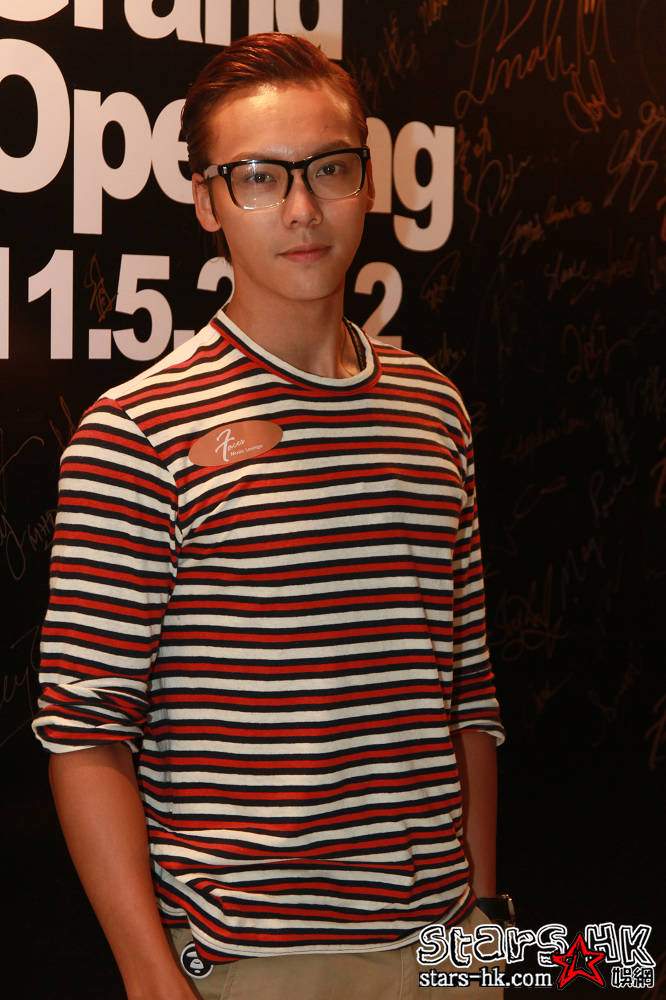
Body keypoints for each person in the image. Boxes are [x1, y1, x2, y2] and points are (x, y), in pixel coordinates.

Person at [33, 32, 509, 1000]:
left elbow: (466, 689)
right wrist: (153, 981)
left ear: (367, 181)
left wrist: (487, 930)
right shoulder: (138, 430)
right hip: (257, 960)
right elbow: (84, 732)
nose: (300, 208)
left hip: (450, 947)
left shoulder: (434, 407)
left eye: (327, 168)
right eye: (257, 176)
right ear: (207, 200)